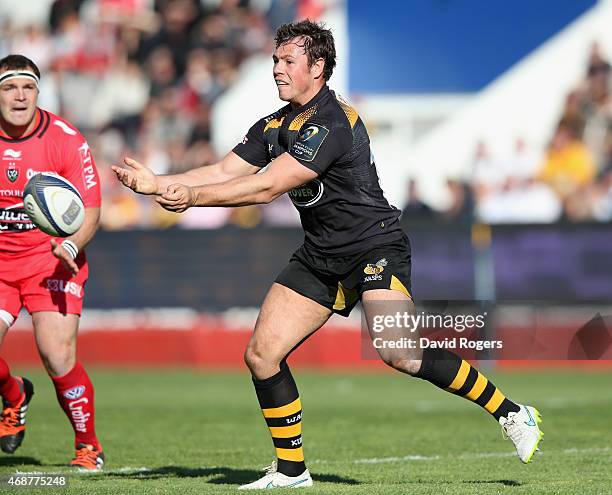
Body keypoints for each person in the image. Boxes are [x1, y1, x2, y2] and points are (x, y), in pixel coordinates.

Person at [113, 20, 543, 489]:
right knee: (262, 354)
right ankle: (293, 471)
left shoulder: (333, 122)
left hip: (376, 246)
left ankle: (513, 412)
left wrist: (190, 199)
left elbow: (266, 187)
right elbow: (221, 168)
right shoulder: (274, 124)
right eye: (275, 60)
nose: (276, 69)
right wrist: (159, 183)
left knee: (399, 352)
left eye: (287, 61)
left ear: (317, 68)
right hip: (321, 255)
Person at [0, 55, 104, 470]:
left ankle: (88, 446)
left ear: (39, 92)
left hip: (51, 262)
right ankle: (13, 393)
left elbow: (92, 211)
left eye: (28, 87)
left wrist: (73, 244)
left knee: (57, 356)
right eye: (9, 87)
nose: (20, 95)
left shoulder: (65, 139)